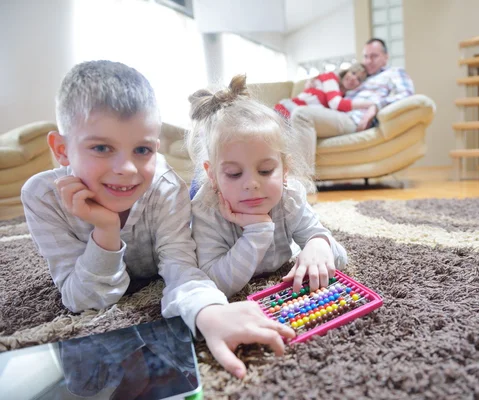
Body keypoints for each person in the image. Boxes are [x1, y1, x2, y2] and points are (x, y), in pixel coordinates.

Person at [20, 60, 294, 380]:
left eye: (142, 150)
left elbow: (180, 266)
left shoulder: (164, 187)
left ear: (156, 147)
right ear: (62, 149)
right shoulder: (42, 197)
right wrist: (106, 231)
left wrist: (209, 311)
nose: (127, 169)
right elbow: (83, 300)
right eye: (101, 148)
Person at [186, 74, 348, 298]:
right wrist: (257, 230)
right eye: (234, 173)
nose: (252, 184)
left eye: (265, 171)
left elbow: (340, 256)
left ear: (285, 170)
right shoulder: (207, 211)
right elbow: (213, 282)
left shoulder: (288, 197)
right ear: (212, 175)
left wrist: (319, 244)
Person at [291, 38, 415, 172]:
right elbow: (335, 86)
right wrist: (315, 81)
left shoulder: (394, 73)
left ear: (386, 57)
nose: (368, 61)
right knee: (290, 121)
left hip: (353, 120)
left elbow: (406, 95)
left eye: (374, 56)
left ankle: (303, 180)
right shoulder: (362, 76)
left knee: (301, 114)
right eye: (366, 56)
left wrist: (376, 106)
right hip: (338, 114)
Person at [274, 63, 372, 119]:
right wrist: (369, 104)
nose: (353, 78)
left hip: (298, 118)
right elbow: (335, 103)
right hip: (286, 110)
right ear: (347, 71)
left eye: (359, 79)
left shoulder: (343, 96)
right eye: (353, 73)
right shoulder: (330, 78)